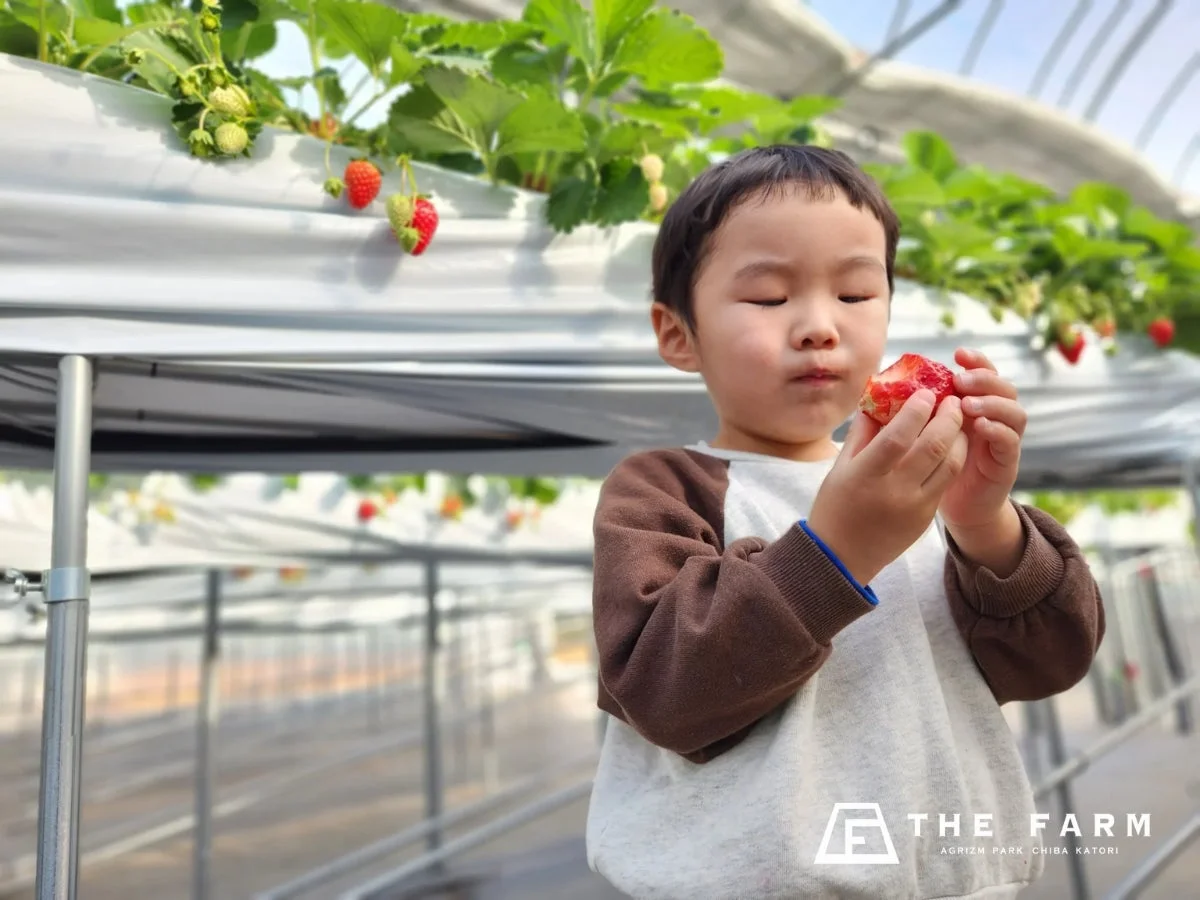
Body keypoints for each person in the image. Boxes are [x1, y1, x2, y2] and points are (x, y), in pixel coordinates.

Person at [584, 145, 1105, 900]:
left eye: (857, 294)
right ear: (678, 335)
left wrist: (986, 521)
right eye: (767, 298)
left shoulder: (923, 485)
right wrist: (834, 554)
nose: (819, 326)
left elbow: (1054, 659)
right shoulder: (666, 490)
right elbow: (664, 691)